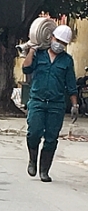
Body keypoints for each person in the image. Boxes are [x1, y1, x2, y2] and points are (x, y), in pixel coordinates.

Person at [23, 25, 78, 182]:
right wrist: (32, 50)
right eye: (57, 40)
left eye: (63, 43)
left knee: (51, 138)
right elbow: (26, 68)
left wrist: (74, 105)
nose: (59, 44)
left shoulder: (67, 61)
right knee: (34, 133)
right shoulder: (39, 54)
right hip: (37, 101)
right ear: (51, 37)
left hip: (56, 104)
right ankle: (32, 160)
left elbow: (71, 84)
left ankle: (44, 170)